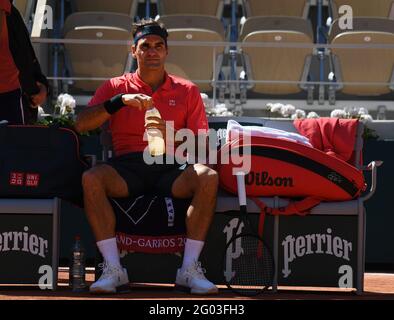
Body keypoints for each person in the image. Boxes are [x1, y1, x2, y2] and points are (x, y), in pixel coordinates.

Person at [75, 19, 219, 295]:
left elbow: (201, 140)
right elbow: (81, 124)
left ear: (166, 51)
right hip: (127, 166)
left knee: (208, 177)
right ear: (133, 51)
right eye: (145, 46)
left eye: (158, 46)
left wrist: (170, 138)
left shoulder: (187, 90)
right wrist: (119, 102)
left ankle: (188, 270)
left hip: (171, 166)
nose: (152, 51)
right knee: (91, 178)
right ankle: (114, 269)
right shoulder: (115, 86)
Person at [0, 0, 48, 124]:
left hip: (12, 96)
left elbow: (25, 56)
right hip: (9, 97)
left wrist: (38, 85)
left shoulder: (11, 12)